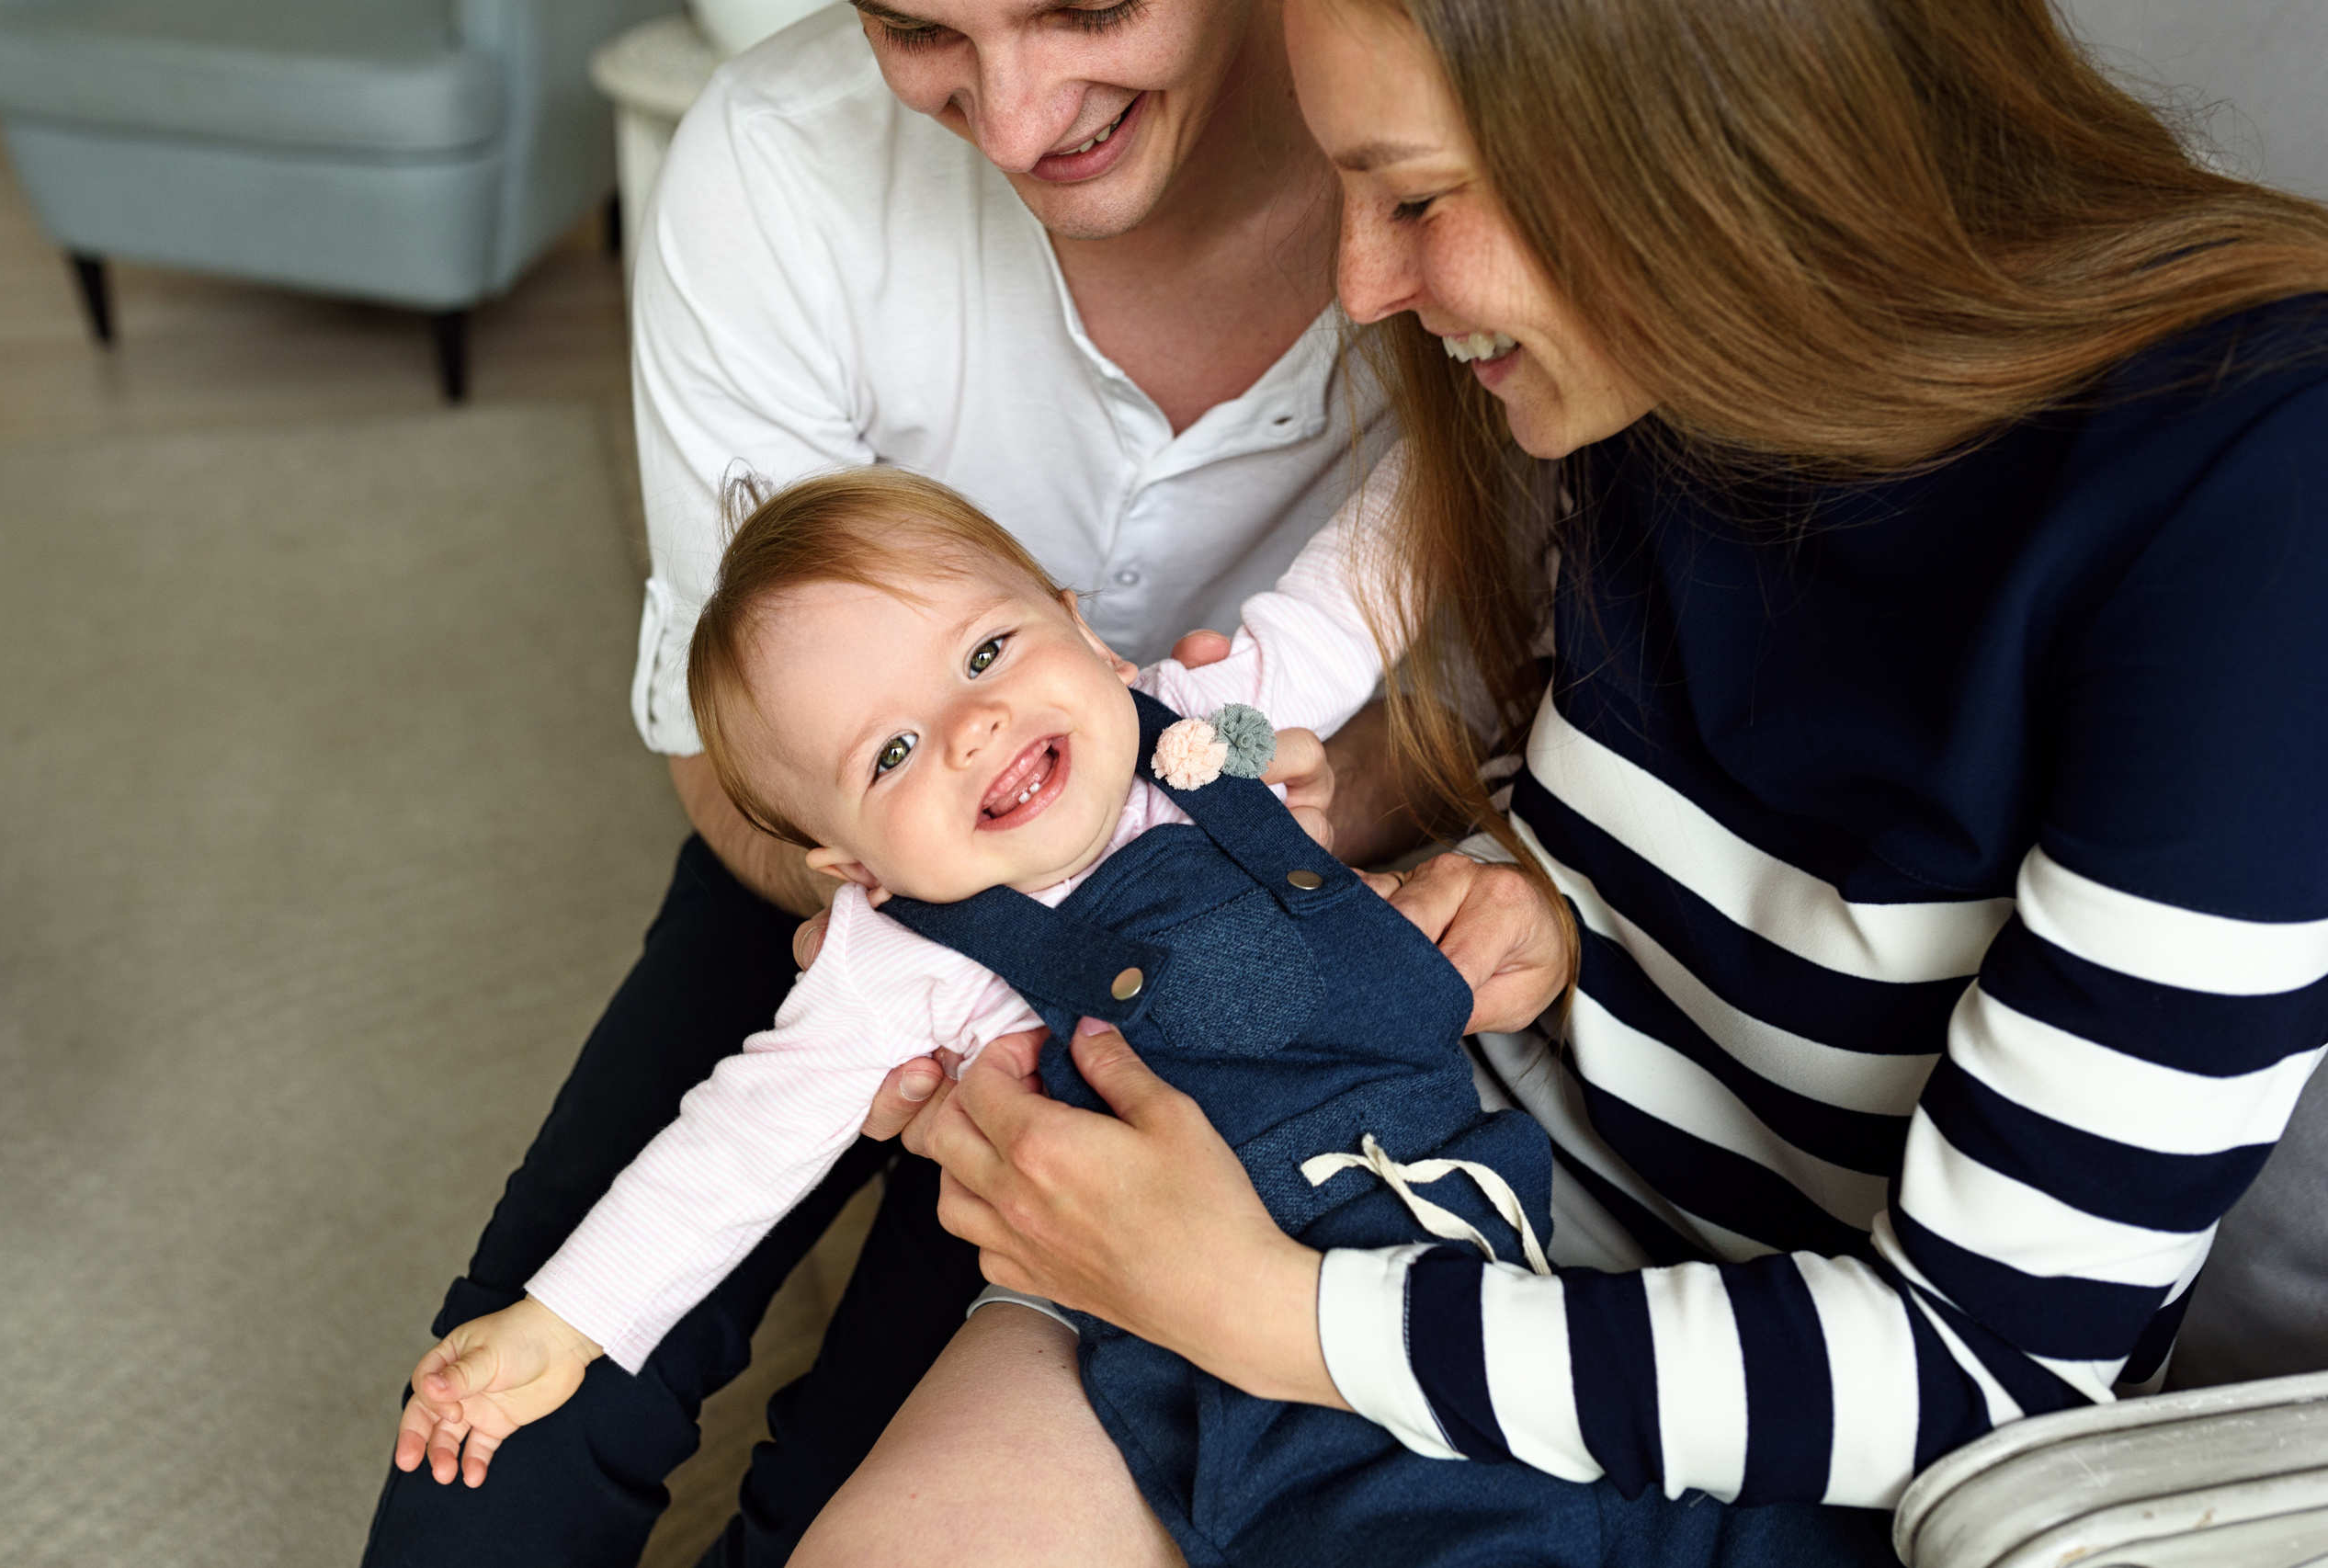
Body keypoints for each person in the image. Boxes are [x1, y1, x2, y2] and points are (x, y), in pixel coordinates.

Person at [795, 0, 2328, 1562]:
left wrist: (1268, 1309)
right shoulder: (1656, 357)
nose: (1360, 288)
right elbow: (1624, 814)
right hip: (1406, 1188)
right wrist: (1511, 893)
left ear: (1706, 136)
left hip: (1762, 1420)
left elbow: (1984, 1367)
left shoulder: (2260, 497)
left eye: (1415, 197)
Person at [358, 0, 1548, 1562]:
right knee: (506, 1409)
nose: (1012, 115)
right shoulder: (777, 167)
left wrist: (1245, 811)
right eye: (923, 30)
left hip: (1211, 954)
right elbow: (736, 1099)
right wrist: (564, 1319)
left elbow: (1376, 582)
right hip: (879, 904)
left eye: (1086, 10)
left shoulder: (1202, 701)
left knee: (880, 1447)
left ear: (1073, 620)